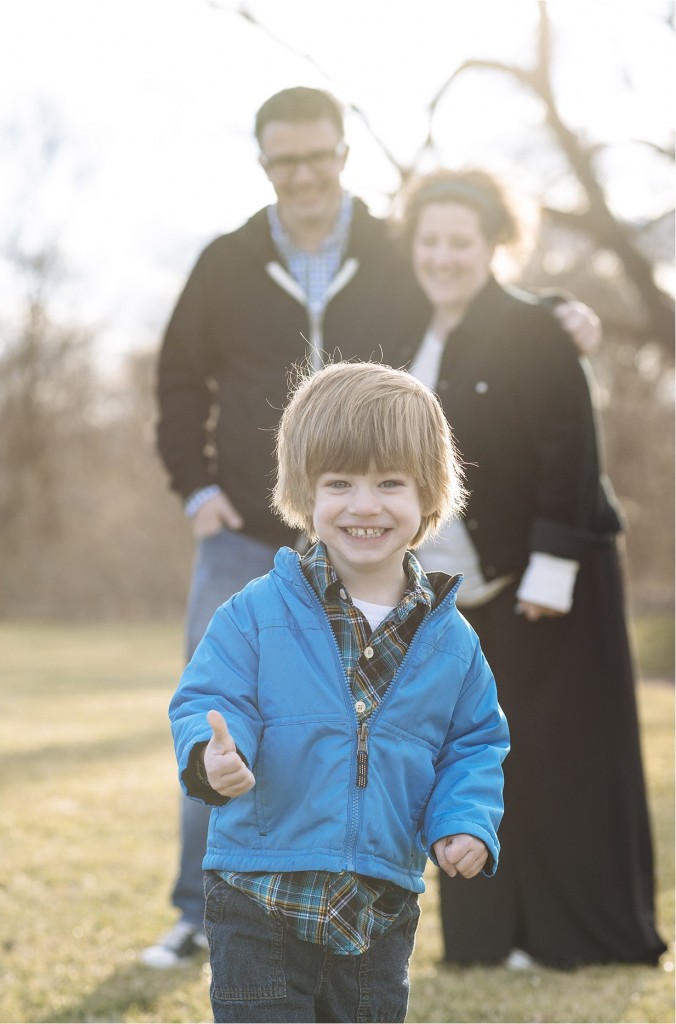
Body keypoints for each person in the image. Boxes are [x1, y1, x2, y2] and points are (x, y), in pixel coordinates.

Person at [147, 84, 600, 968]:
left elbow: (463, 278)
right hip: (250, 524)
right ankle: (203, 908)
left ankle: (359, 885)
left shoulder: (394, 251)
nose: (306, 173)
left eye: (320, 156)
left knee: (373, 716)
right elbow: (176, 382)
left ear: (344, 155)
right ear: (265, 163)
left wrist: (551, 308)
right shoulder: (225, 262)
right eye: (287, 160)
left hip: (368, 523)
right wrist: (196, 489)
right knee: (220, 710)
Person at [168, 360, 510, 1023]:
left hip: (378, 908)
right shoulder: (255, 611)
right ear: (305, 491)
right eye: (339, 483)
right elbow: (209, 699)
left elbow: (474, 744)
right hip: (256, 894)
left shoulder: (450, 640)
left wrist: (464, 820)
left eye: (389, 483)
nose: (363, 505)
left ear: (428, 495)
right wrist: (216, 755)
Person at [392, 167, 667, 969]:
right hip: (453, 589)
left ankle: (570, 938)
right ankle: (486, 940)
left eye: (461, 242)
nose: (443, 256)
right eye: (430, 240)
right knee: (469, 757)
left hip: (551, 579)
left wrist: (549, 575)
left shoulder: (532, 328)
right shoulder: (407, 325)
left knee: (560, 758)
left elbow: (570, 454)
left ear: (494, 246)